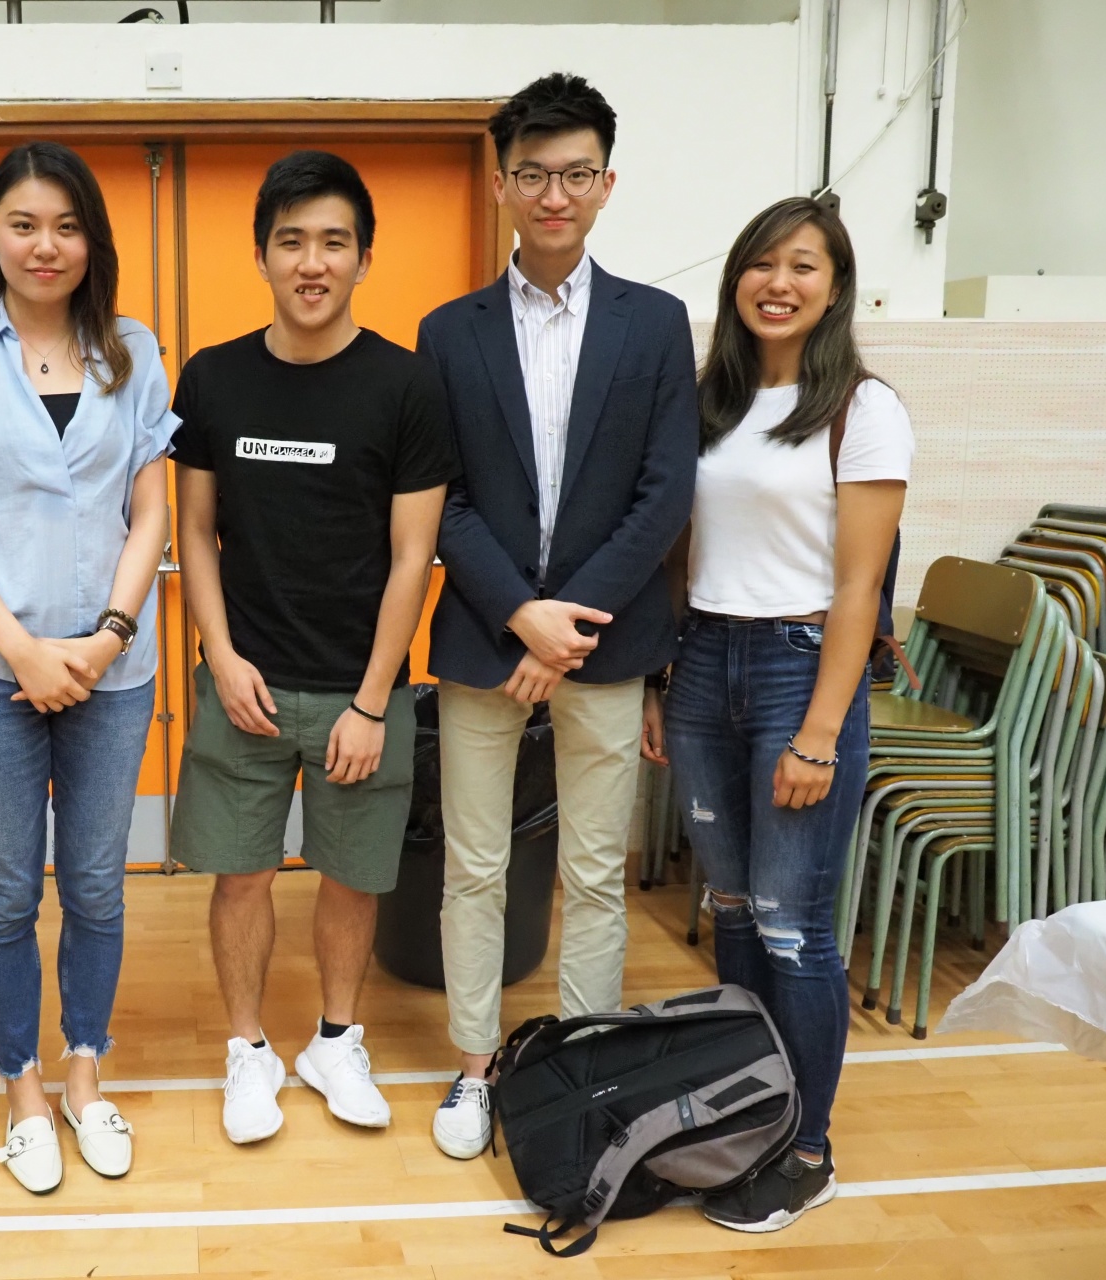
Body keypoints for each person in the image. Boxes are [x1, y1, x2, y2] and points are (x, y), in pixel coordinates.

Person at [415, 72, 700, 1161]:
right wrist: (520, 612)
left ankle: (581, 1066)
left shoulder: (656, 323)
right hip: (483, 636)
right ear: (500, 184)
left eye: (576, 174)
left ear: (606, 184)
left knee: (592, 872)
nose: (553, 194)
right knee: (474, 866)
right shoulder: (449, 332)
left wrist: (566, 625)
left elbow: (663, 494)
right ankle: (475, 1065)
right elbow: (442, 496)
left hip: (609, 643)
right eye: (532, 173)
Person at [0, 142, 174, 1195]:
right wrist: (20, 648)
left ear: (92, 239)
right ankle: (21, 1088)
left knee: (96, 886)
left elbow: (150, 510)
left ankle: (85, 1073)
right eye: (23, 224)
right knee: (6, 891)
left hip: (112, 670)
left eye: (66, 225)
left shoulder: (131, 349)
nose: (44, 245)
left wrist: (105, 638)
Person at [171, 151, 456, 1146]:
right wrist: (219, 655)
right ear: (261, 254)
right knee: (240, 875)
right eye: (291, 240)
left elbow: (415, 553)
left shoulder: (406, 384)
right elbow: (193, 530)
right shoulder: (212, 377)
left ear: (364, 258)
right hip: (243, 682)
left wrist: (374, 700)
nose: (312, 261)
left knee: (353, 873)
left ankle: (336, 1041)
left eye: (334, 242)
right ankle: (248, 1049)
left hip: (359, 691)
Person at [645, 197, 910, 1231]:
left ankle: (808, 1151)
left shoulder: (863, 408)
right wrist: (665, 681)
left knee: (795, 929)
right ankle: (755, 1117)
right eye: (762, 263)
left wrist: (819, 732)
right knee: (736, 912)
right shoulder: (710, 401)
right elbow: (681, 552)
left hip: (801, 671)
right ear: (736, 280)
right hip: (705, 662)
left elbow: (859, 589)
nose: (779, 283)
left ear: (835, 287)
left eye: (803, 265)